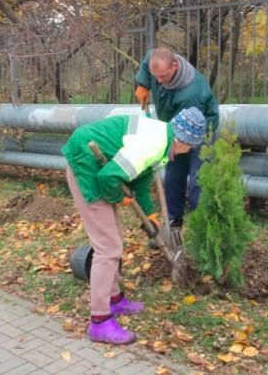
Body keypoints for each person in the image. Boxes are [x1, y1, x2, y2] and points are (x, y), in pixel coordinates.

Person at [62, 107, 207, 344]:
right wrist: (119, 198)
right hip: (87, 165)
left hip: (99, 164)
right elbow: (109, 177)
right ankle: (99, 321)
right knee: (107, 247)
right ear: (182, 139)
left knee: (115, 236)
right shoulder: (152, 143)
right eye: (191, 146)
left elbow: (139, 180)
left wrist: (149, 214)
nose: (190, 151)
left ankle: (114, 299)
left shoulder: (161, 137)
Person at [134, 47, 219, 239]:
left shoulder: (190, 93)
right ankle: (173, 223)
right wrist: (143, 84)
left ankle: (202, 229)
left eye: (163, 76)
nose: (159, 81)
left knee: (198, 180)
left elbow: (186, 131)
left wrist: (167, 139)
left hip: (199, 129)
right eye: (155, 76)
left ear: (175, 66)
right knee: (173, 172)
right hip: (174, 125)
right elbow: (148, 60)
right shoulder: (156, 62)